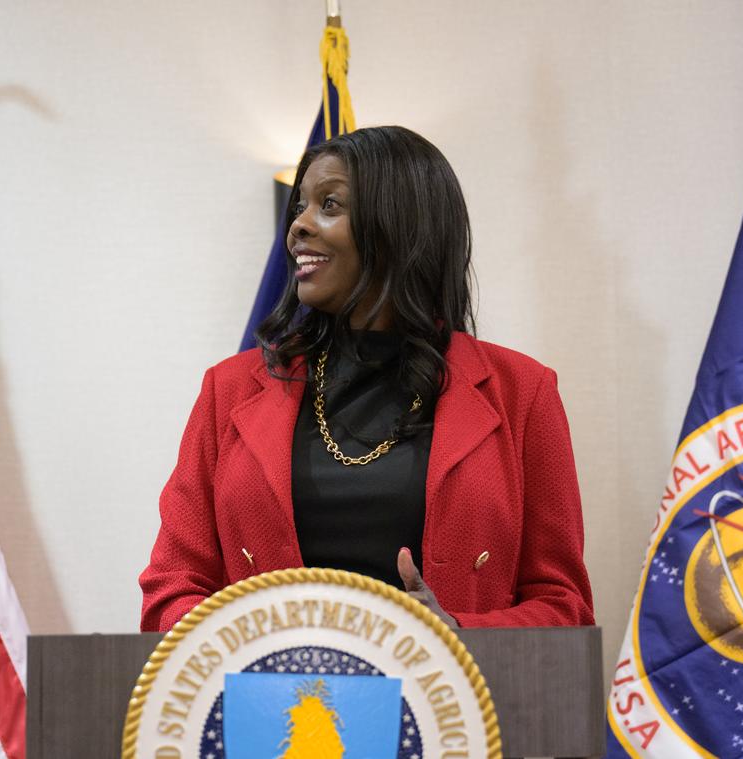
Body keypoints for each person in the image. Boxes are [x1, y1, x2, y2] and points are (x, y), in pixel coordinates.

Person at [139, 125, 593, 631]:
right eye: (300, 207)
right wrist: (257, 642)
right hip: (274, 705)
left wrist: (458, 636)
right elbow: (172, 588)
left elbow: (564, 608)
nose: (299, 227)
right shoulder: (229, 391)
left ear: (400, 225)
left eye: (329, 205)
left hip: (450, 703)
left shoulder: (522, 393)